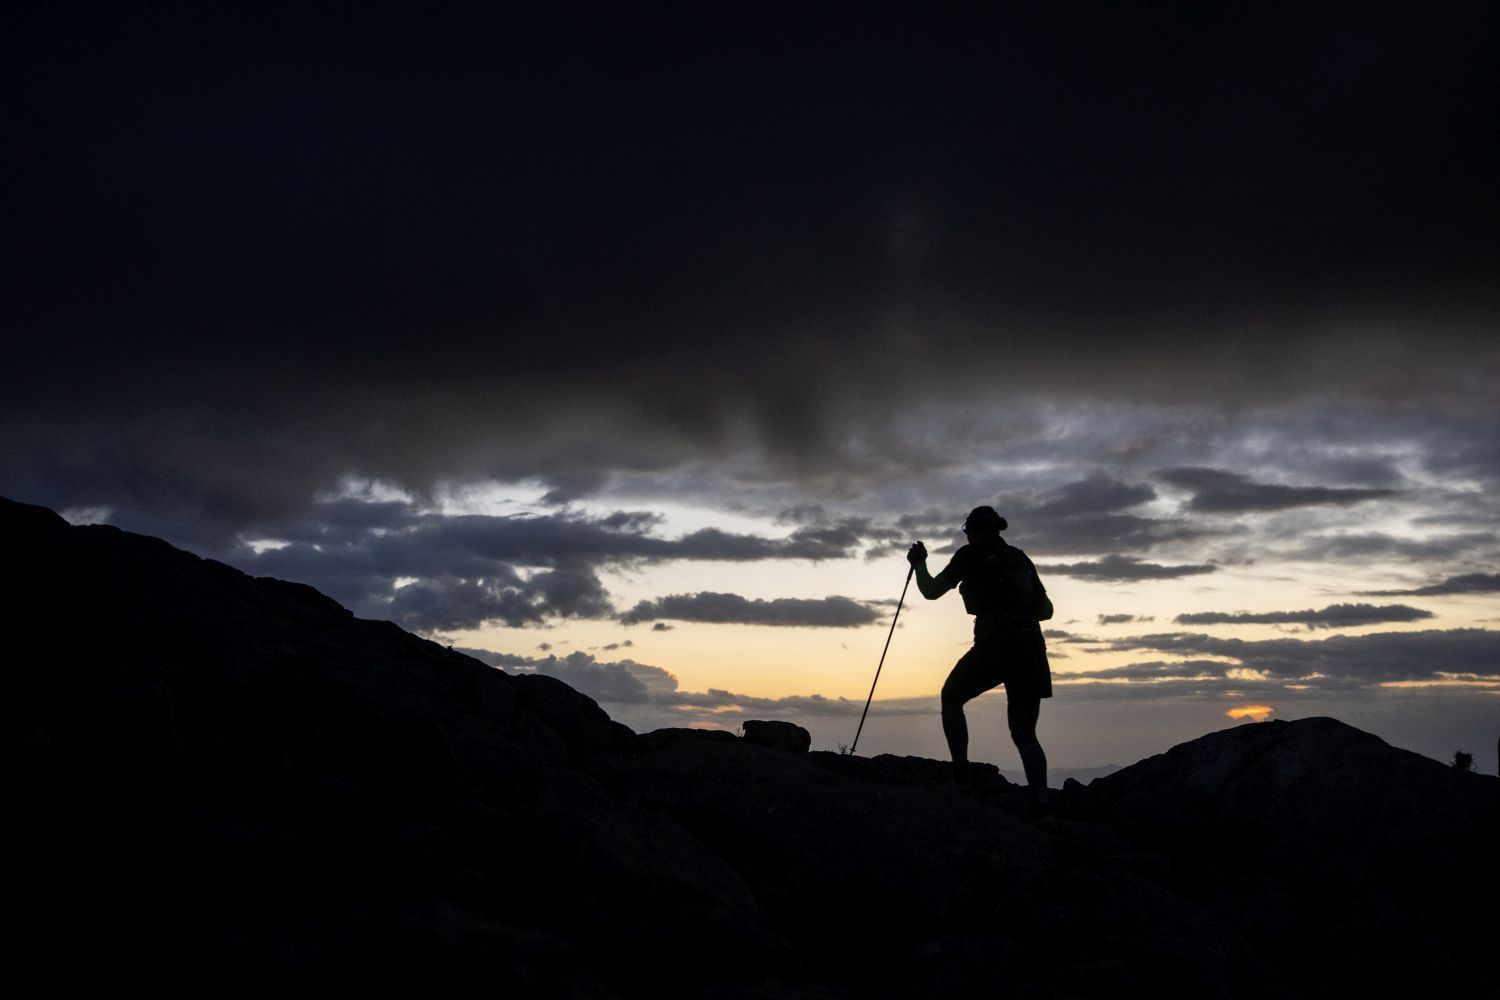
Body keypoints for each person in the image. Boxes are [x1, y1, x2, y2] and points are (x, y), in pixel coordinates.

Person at [907, 505, 1053, 806]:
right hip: (1030, 650)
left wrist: (919, 563)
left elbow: (932, 591)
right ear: (997, 529)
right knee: (1025, 734)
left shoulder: (969, 556)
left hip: (993, 646)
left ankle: (961, 781)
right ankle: (1042, 806)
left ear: (971, 532)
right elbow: (1046, 611)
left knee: (951, 698)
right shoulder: (1020, 559)